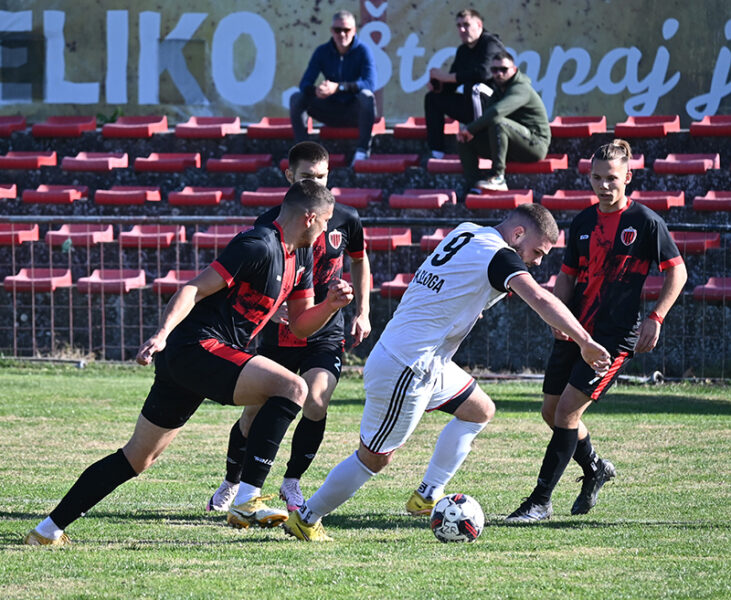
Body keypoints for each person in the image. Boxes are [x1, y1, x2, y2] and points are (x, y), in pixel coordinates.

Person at [23, 180, 354, 546]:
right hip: (194, 346)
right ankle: (246, 499)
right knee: (292, 387)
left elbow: (303, 323)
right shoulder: (258, 244)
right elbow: (193, 288)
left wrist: (331, 307)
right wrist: (162, 333)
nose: (327, 230)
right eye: (324, 222)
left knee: (137, 458)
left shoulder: (302, 257)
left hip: (199, 357)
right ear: (309, 218)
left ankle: (48, 529)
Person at [282, 204, 612, 541]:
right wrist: (584, 340)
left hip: (425, 360)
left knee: (478, 410)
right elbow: (540, 298)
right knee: (374, 459)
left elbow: (451, 284)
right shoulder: (499, 255)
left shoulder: (466, 230)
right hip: (407, 366)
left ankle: (427, 496)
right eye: (538, 251)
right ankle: (306, 517)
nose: (539, 261)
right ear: (517, 234)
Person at [506, 140, 687, 523]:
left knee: (568, 412)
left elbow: (677, 270)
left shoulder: (646, 222)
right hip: (575, 329)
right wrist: (557, 319)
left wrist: (656, 317)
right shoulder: (583, 222)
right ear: (589, 177)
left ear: (628, 178)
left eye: (613, 179)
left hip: (612, 337)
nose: (605, 186)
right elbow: (569, 276)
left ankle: (540, 501)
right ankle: (595, 469)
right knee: (551, 411)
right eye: (598, 178)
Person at [206, 141, 372, 519]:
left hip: (326, 329)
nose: (315, 183)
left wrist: (362, 311)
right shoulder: (270, 224)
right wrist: (276, 306)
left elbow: (360, 262)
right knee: (253, 413)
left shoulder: (344, 219)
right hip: (279, 332)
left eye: (322, 176)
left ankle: (292, 480)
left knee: (316, 400)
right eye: (307, 177)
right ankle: (233, 479)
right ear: (289, 177)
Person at [290, 10, 377, 164]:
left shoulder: (363, 51)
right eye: (338, 30)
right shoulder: (322, 52)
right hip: (329, 110)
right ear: (331, 31)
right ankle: (303, 152)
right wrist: (316, 91)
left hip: (353, 112)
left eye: (346, 30)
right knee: (296, 98)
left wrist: (339, 87)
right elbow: (305, 84)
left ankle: (362, 151)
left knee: (367, 98)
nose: (342, 34)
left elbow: (369, 83)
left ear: (354, 31)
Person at [457, 51, 551, 192]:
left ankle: (498, 177)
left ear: (514, 69)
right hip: (512, 143)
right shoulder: (498, 90)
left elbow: (496, 112)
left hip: (535, 144)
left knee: (498, 123)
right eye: (494, 70)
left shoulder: (521, 88)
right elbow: (487, 119)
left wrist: (471, 128)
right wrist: (467, 132)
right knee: (464, 139)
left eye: (503, 69)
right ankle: (472, 184)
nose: (499, 74)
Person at [425, 8, 506, 159]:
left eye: (466, 25)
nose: (462, 29)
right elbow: (452, 84)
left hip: (494, 107)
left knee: (474, 87)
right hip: (472, 106)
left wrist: (445, 77)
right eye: (459, 26)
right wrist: (438, 84)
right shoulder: (463, 50)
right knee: (432, 98)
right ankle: (436, 151)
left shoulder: (490, 43)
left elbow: (483, 74)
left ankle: (481, 141)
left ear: (479, 25)